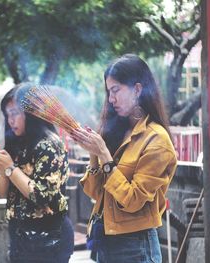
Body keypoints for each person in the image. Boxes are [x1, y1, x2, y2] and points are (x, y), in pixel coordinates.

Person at [71, 54, 177, 263]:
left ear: (137, 89)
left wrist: (104, 155)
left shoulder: (156, 140)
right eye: (109, 92)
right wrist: (94, 153)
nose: (111, 99)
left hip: (135, 245)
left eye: (116, 90)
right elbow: (95, 192)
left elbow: (133, 201)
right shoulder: (117, 133)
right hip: (106, 241)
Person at [0, 83, 74, 262]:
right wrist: (3, 169)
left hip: (48, 238)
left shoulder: (49, 145)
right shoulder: (18, 144)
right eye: (7, 115)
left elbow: (42, 196)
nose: (10, 120)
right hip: (22, 236)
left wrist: (10, 168)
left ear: (32, 113)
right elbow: (2, 191)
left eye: (15, 113)